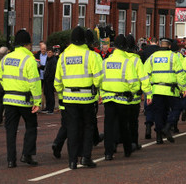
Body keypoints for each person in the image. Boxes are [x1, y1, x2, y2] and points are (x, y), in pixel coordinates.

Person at [54, 26, 103, 169]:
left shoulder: (63, 56)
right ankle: (86, 157)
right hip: (87, 97)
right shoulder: (91, 55)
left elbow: (57, 81)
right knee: (88, 127)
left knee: (72, 128)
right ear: (84, 40)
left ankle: (72, 161)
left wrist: (62, 95)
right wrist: (96, 88)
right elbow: (99, 77)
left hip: (69, 97)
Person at [0, 30, 42, 168]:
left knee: (10, 131)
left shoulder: (5, 59)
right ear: (27, 45)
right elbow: (34, 82)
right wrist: (37, 102)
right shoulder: (29, 60)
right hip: (25, 100)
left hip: (9, 99)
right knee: (31, 126)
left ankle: (11, 160)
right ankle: (27, 154)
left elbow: (1, 78)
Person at [100, 34, 147, 160]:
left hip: (108, 98)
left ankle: (108, 152)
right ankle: (127, 149)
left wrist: (102, 94)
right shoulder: (127, 62)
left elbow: (99, 79)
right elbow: (133, 82)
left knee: (109, 125)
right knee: (123, 125)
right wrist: (134, 92)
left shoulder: (105, 61)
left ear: (114, 46)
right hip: (123, 98)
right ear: (125, 47)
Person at [42, 48, 57, 114]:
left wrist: (49, 79)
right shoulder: (48, 59)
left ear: (53, 53)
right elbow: (46, 68)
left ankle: (51, 109)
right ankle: (47, 107)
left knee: (50, 94)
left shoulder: (53, 60)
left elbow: (53, 71)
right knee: (46, 94)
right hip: (46, 80)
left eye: (50, 52)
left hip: (50, 81)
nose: (48, 54)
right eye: (48, 52)